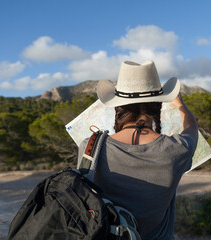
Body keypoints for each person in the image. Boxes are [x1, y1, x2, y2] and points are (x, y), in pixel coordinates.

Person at [81, 60, 198, 240]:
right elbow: (191, 129)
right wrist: (181, 107)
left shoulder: (89, 148)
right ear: (157, 105)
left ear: (118, 107)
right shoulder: (177, 149)